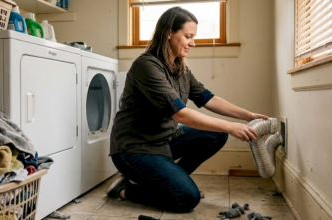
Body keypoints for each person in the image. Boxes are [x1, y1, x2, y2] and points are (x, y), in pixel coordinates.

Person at [106, 6, 268, 212]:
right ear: (168, 34)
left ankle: (165, 184)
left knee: (216, 135)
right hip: (134, 149)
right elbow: (181, 114)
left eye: (194, 37)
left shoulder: (180, 68)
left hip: (163, 141)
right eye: (188, 36)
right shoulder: (147, 66)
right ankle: (125, 190)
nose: (193, 43)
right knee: (187, 199)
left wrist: (248, 115)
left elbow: (208, 99)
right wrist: (229, 126)